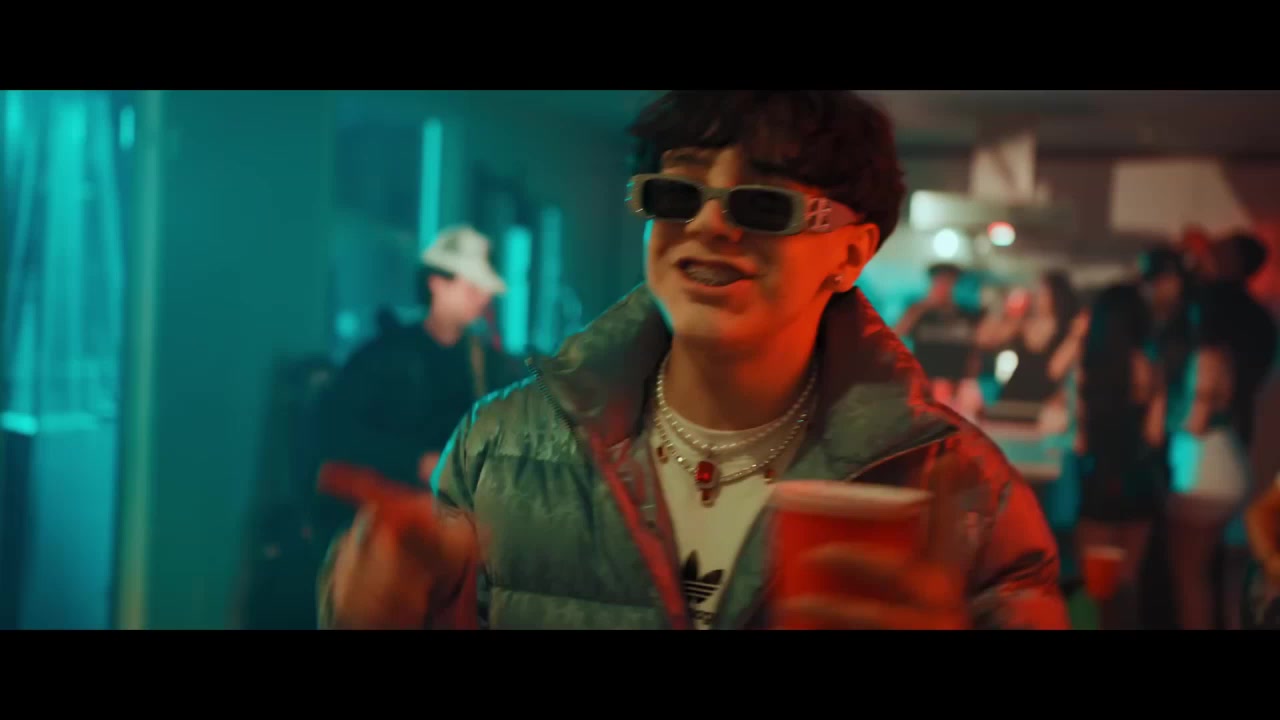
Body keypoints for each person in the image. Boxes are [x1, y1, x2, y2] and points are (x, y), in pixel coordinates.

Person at [316, 91, 1069, 631]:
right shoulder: (504, 442)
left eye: (764, 202)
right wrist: (375, 604)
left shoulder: (962, 489)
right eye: (679, 192)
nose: (709, 224)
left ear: (850, 253)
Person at [316, 225, 513, 495]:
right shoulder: (385, 355)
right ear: (436, 283)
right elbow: (338, 431)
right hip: (393, 503)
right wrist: (416, 461)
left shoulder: (487, 364)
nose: (482, 299)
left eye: (485, 290)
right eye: (472, 288)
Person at [1069, 284, 1165, 629]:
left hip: (1098, 480)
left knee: (1097, 585)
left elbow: (1079, 442)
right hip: (1138, 481)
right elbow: (1154, 436)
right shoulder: (1148, 368)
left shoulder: (1088, 368)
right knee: (1127, 584)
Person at [1165, 283, 1257, 630]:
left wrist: (1165, 416)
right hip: (1225, 464)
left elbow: (1197, 420)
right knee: (1216, 577)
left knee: (1190, 575)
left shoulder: (1206, 356)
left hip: (1203, 472)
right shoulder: (1230, 356)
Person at [976, 270, 1083, 405]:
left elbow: (1054, 370)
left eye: (1043, 293)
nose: (1037, 297)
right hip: (1012, 397)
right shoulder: (1024, 324)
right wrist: (1000, 306)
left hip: (1042, 404)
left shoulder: (1069, 330)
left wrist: (1075, 337)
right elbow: (984, 339)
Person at [894, 263, 982, 406]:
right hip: (925, 381)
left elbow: (975, 349)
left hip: (956, 384)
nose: (944, 286)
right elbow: (897, 333)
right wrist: (923, 306)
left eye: (948, 281)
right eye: (940, 281)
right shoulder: (918, 311)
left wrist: (970, 380)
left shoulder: (967, 314)